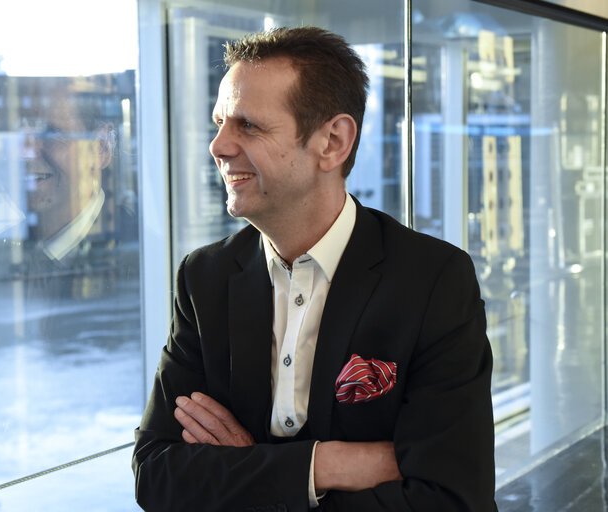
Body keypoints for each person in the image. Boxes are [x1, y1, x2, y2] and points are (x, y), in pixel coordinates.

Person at [132, 26, 497, 511]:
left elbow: (452, 498)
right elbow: (157, 474)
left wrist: (249, 467)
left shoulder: (434, 280)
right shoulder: (204, 278)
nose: (218, 146)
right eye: (219, 123)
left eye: (249, 126)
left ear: (332, 141)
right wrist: (326, 466)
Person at [0, 80, 138, 350]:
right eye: (16, 135)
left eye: (51, 133)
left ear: (101, 148)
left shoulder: (143, 260)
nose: (27, 152)